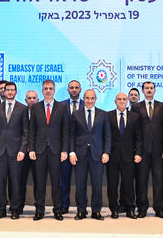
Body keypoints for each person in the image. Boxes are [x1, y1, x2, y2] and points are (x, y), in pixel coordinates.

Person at [28, 80, 68, 221]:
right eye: (46, 88)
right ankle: (39, 210)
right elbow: (32, 130)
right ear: (42, 91)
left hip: (56, 151)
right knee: (39, 182)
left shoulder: (62, 107)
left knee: (56, 182)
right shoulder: (35, 107)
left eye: (50, 88)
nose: (48, 90)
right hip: (39, 150)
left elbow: (65, 130)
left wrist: (64, 150)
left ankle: (58, 210)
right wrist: (31, 148)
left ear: (54, 90)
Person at [70, 89, 111, 220]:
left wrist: (106, 152)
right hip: (80, 154)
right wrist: (71, 152)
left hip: (97, 154)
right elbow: (71, 134)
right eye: (87, 98)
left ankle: (96, 211)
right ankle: (81, 211)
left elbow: (107, 135)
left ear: (96, 99)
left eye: (92, 98)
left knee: (97, 184)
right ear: (83, 98)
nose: (89, 100)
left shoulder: (103, 114)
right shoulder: (76, 114)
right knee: (80, 184)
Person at [0, 82, 28, 219]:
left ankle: (15, 209)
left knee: (15, 182)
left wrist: (23, 150)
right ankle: (1, 209)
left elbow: (25, 131)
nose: (10, 92)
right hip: (0, 151)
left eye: (12, 90)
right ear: (4, 92)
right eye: (8, 90)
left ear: (16, 92)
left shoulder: (23, 108)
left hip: (16, 152)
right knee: (0, 182)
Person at [131, 81, 163, 218]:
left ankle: (159, 208)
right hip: (142, 150)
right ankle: (142, 208)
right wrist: (136, 150)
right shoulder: (136, 107)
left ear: (155, 90)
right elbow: (134, 130)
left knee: (158, 180)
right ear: (142, 91)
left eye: (151, 88)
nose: (149, 90)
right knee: (141, 181)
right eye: (146, 88)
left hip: (159, 150)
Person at [107, 92, 142, 219]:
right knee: (112, 184)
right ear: (115, 101)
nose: (122, 101)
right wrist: (105, 152)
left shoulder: (135, 117)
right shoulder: (108, 115)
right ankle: (114, 209)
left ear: (127, 101)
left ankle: (130, 208)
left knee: (128, 183)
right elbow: (106, 136)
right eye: (119, 99)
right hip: (112, 156)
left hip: (129, 156)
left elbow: (138, 137)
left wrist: (138, 153)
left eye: (124, 99)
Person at [60, 80, 84, 214]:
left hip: (81, 148)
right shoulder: (61, 105)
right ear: (68, 90)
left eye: (76, 87)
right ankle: (64, 205)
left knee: (81, 180)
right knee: (64, 179)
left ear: (80, 89)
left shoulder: (87, 104)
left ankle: (82, 207)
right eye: (71, 88)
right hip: (64, 148)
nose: (74, 89)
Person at [19, 90, 38, 214]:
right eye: (29, 98)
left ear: (37, 100)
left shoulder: (42, 112)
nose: (31, 100)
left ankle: (38, 208)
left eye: (34, 98)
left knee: (38, 181)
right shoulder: (21, 111)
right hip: (22, 152)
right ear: (25, 100)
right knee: (20, 181)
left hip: (37, 152)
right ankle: (19, 206)